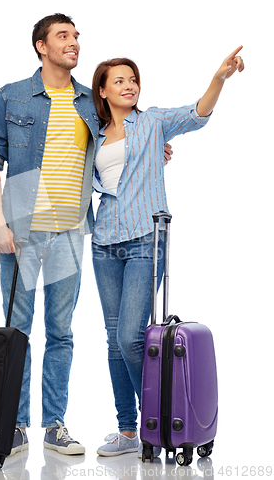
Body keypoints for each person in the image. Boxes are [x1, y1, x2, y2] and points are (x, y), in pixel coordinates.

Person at [91, 49, 244, 457]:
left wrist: (219, 79)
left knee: (130, 338)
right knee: (112, 341)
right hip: (104, 241)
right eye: (119, 81)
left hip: (146, 239)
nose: (129, 86)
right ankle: (128, 431)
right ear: (103, 91)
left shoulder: (154, 122)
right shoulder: (93, 134)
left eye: (132, 79)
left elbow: (196, 114)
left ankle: (160, 416)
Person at [0, 13, 99, 456]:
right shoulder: (12, 97)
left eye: (76, 37)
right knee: (17, 331)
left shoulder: (91, 100)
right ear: (41, 46)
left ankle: (55, 425)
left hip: (71, 233)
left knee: (62, 332)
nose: (73, 43)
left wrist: (153, 150)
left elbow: (114, 147)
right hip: (22, 232)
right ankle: (14, 424)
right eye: (63, 37)